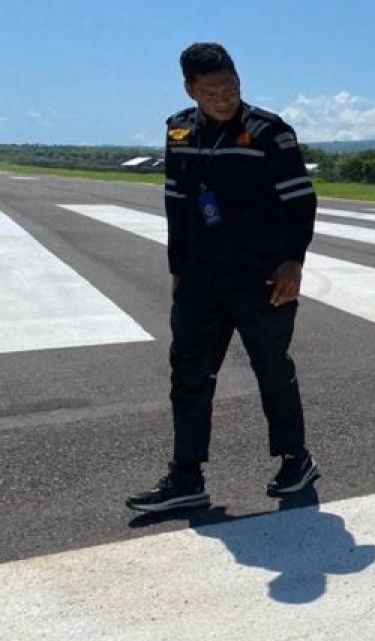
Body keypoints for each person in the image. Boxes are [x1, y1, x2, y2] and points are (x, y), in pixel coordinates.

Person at [127, 42, 319, 513]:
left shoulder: (270, 132)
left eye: (231, 86)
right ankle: (186, 476)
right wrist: (177, 268)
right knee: (189, 376)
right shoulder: (178, 130)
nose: (224, 96)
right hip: (200, 279)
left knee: (272, 370)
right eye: (212, 89)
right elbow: (176, 203)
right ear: (190, 88)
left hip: (263, 277)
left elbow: (301, 201)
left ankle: (295, 460)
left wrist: (294, 262)